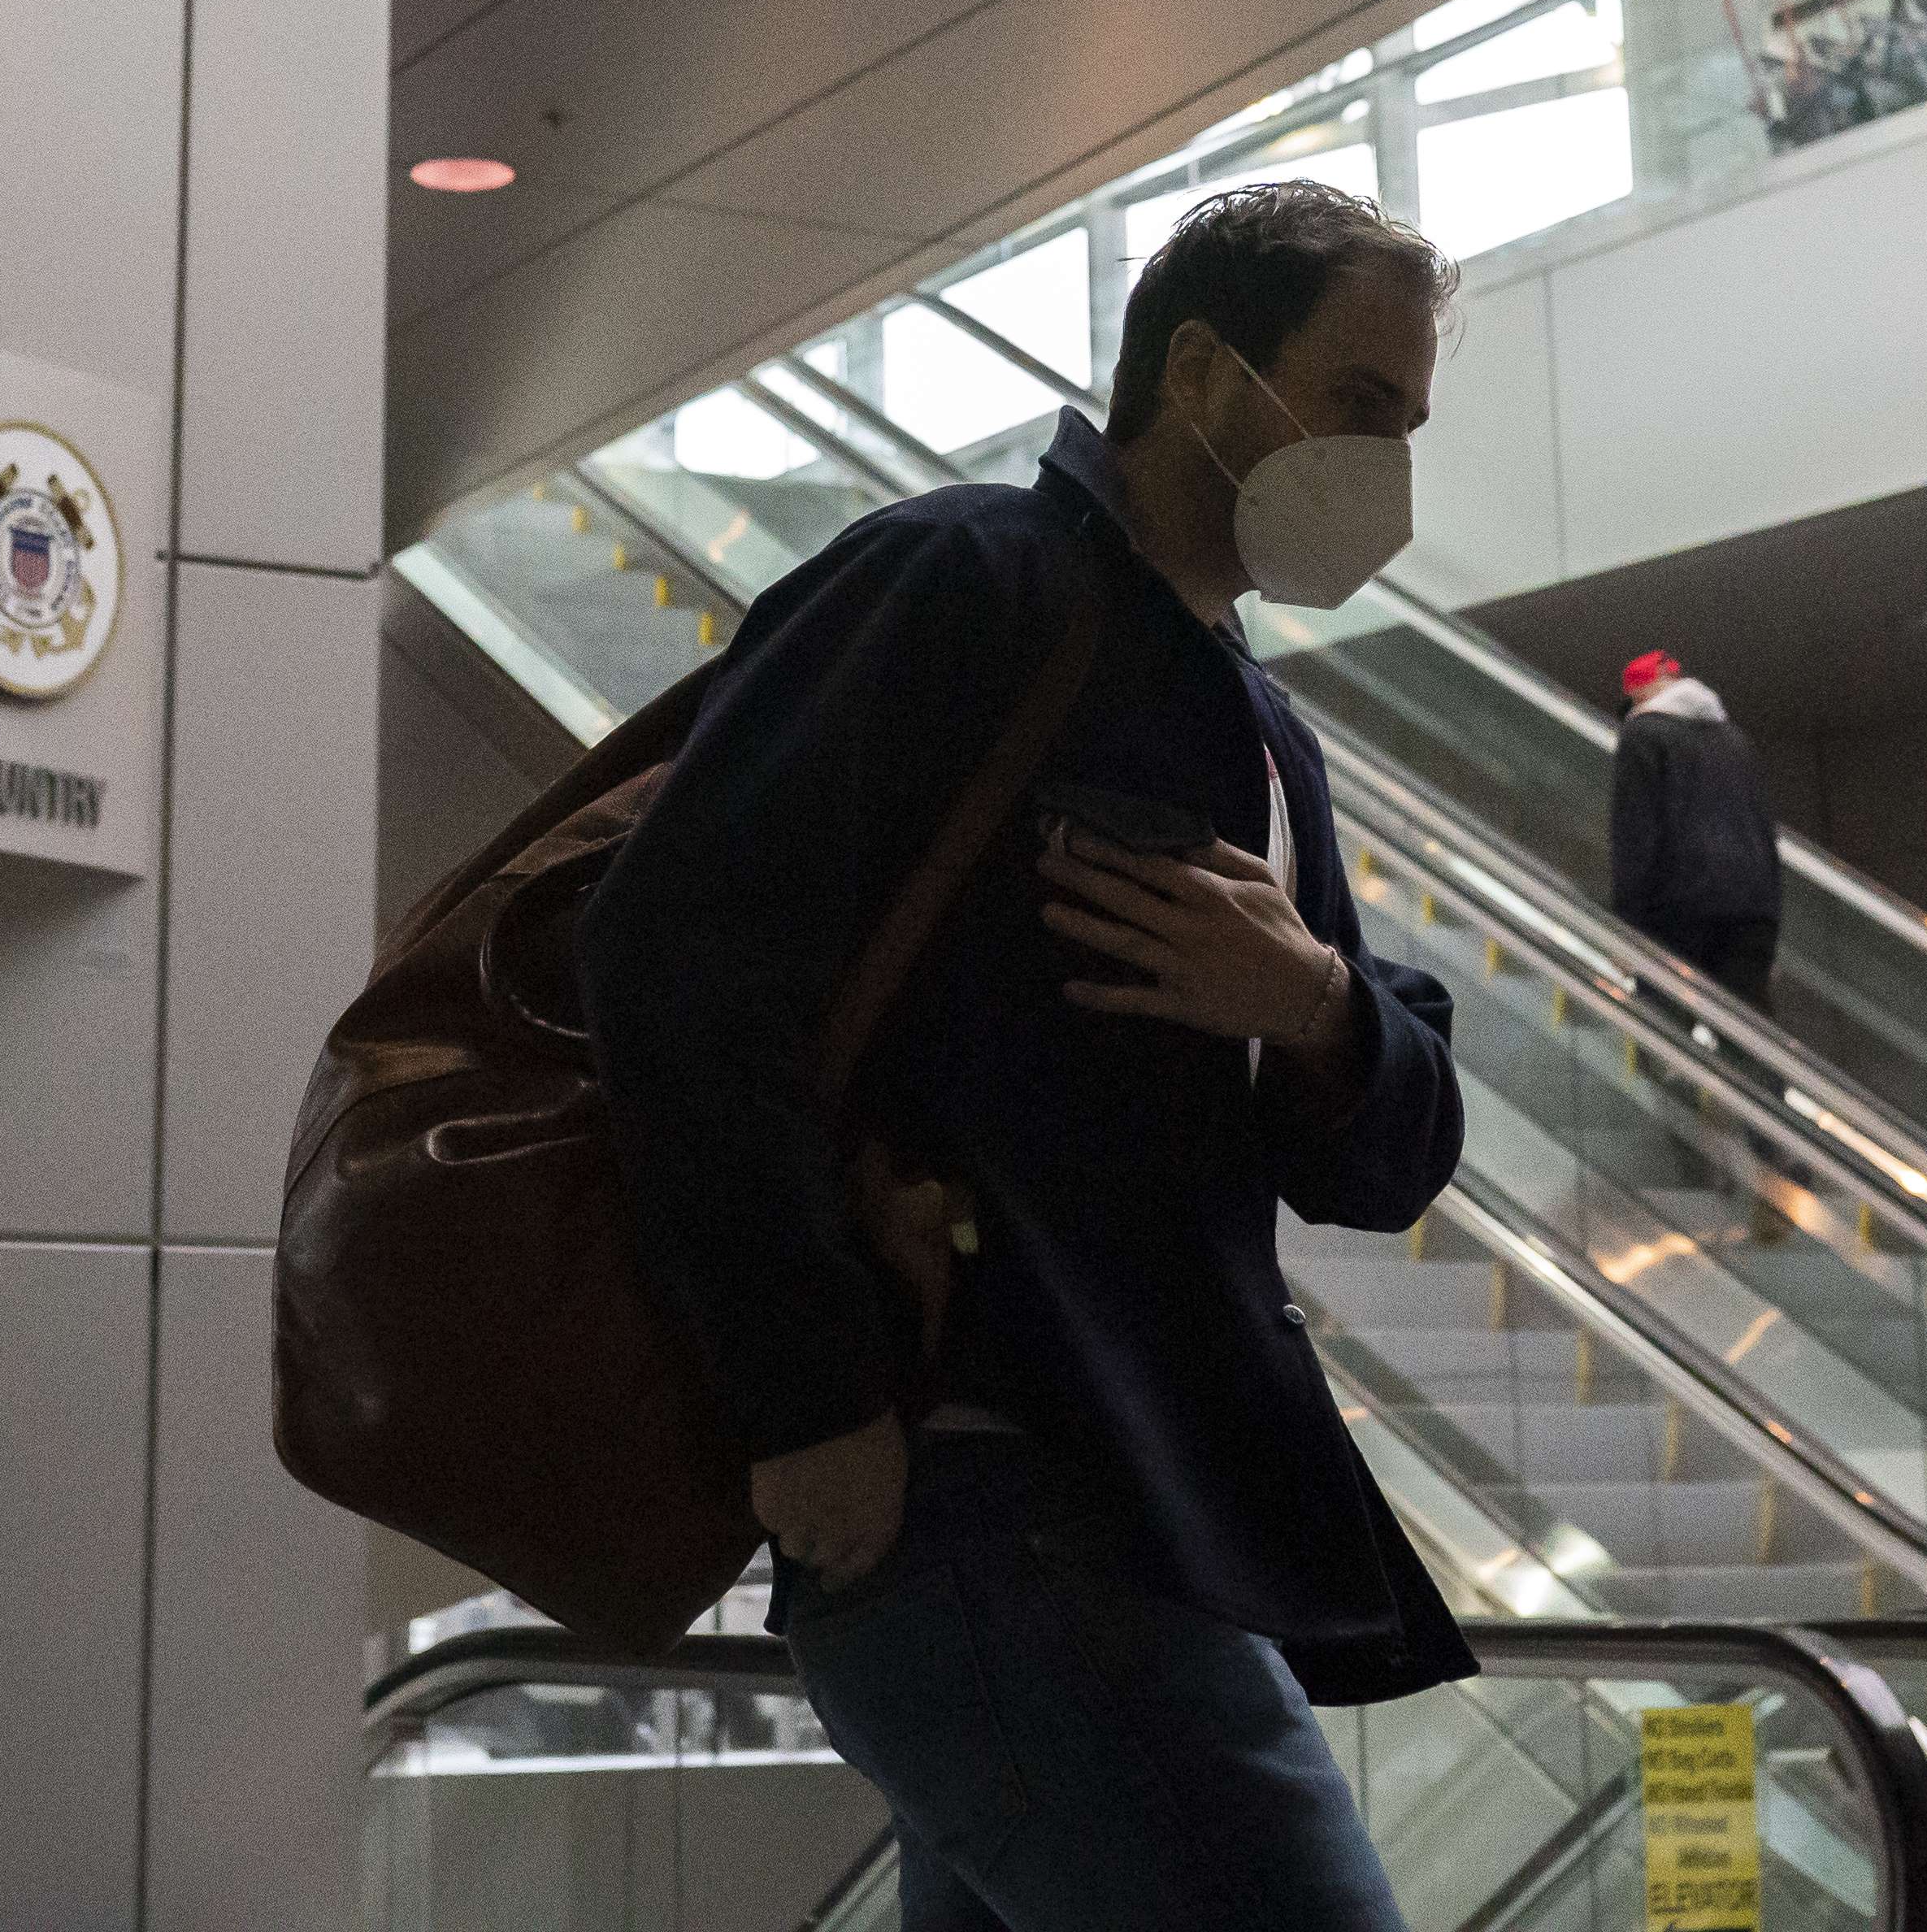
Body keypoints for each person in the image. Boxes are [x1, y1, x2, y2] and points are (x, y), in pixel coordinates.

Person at [577, 182, 1473, 1932]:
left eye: (1413, 423)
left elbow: (1387, 1151)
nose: (1390, 463)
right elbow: (672, 950)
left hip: (1142, 1517)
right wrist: (812, 1392)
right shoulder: (967, 581)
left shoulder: (1259, 724)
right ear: (1208, 373)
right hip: (1001, 1499)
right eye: (1363, 403)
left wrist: (1311, 1002)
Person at [1606, 648, 1783, 1007]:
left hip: (1676, 910)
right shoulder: (1733, 739)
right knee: (1746, 1033)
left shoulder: (1643, 733)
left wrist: (1626, 930)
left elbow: (1636, 838)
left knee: (1663, 1023)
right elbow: (1764, 829)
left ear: (1639, 694)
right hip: (1753, 907)